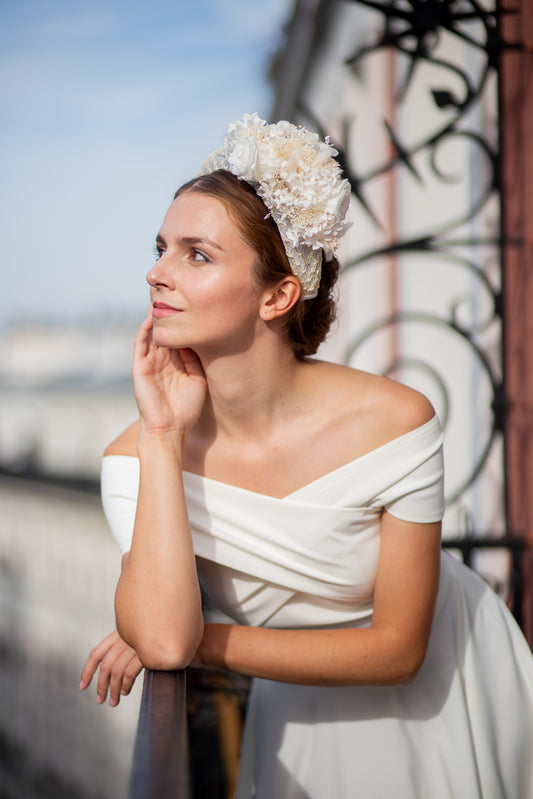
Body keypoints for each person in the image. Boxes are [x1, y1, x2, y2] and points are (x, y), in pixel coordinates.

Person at [80, 113, 533, 798]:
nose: (155, 272)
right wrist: (163, 437)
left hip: (451, 682)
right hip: (296, 711)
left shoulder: (393, 421)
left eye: (194, 254)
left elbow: (397, 650)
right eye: (161, 247)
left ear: (277, 294)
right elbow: (165, 641)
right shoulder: (135, 457)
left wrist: (208, 636)